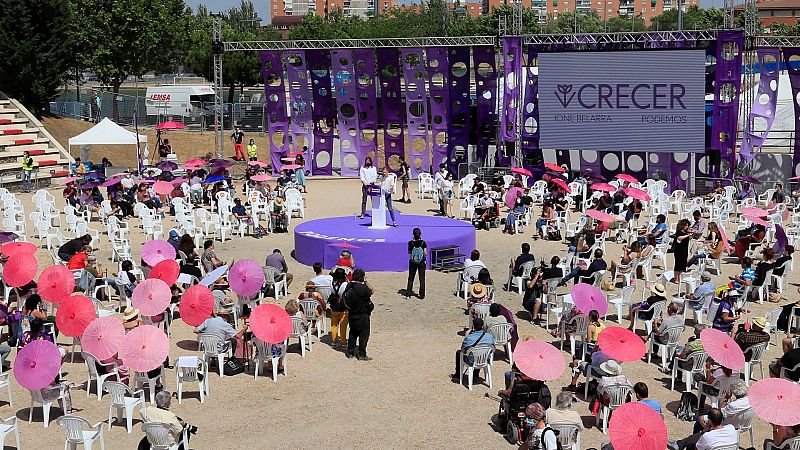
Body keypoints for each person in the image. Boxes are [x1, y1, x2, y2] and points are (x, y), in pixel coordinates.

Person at [450, 317, 495, 382]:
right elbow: (493, 349)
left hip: (472, 361)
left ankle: (458, 375)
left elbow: (463, 350)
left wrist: (468, 332)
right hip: (485, 359)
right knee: (480, 353)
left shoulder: (469, 338)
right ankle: (475, 375)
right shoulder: (489, 336)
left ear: (473, 327)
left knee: (459, 353)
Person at [667, 408, 737, 450]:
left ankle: (680, 444)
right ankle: (679, 444)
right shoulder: (731, 428)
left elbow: (697, 449)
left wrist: (703, 431)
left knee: (692, 444)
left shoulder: (708, 436)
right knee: (698, 438)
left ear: (709, 421)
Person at [343, 269, 374, 360]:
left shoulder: (349, 286)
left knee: (353, 332)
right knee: (364, 335)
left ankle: (350, 352)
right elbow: (372, 291)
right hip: (363, 314)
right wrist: (366, 282)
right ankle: (361, 354)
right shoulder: (364, 288)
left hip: (352, 313)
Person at [328, 268, 349, 349]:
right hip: (343, 307)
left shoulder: (331, 283)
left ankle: (334, 341)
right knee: (343, 326)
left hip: (334, 307)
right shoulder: (345, 284)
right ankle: (343, 342)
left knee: (334, 325)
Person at [406, 227, 427, 300]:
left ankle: (408, 293)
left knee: (411, 278)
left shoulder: (410, 243)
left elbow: (409, 252)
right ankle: (422, 295)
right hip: (421, 262)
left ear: (413, 234)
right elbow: (425, 253)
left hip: (413, 262)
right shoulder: (423, 242)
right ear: (420, 234)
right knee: (422, 278)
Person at [672, 218, 692, 285]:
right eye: (686, 225)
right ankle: (676, 278)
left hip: (684, 250)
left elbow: (689, 239)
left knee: (683, 264)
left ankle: (679, 277)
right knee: (678, 264)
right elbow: (679, 238)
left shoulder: (686, 232)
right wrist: (687, 235)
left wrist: (690, 234)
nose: (687, 226)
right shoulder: (679, 232)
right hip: (679, 250)